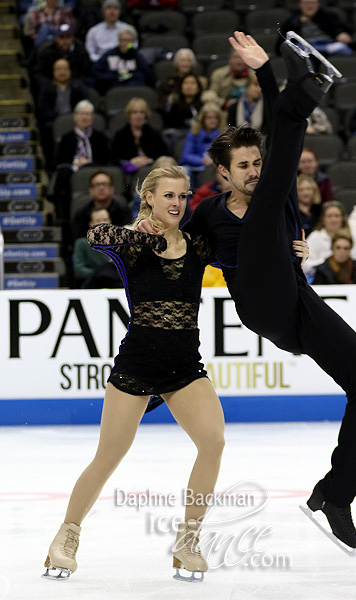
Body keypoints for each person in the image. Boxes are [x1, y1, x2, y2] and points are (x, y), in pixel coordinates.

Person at [140, 31, 356, 550]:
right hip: (257, 301)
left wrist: (295, 252)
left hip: (294, 302)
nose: (253, 172)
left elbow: (281, 178)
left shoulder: (276, 198)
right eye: (244, 167)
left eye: (257, 163)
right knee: (277, 183)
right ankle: (301, 87)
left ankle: (335, 494)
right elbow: (184, 277)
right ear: (222, 174)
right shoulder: (207, 212)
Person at [42, 165, 224, 582]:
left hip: (184, 367)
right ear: (149, 199)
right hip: (137, 364)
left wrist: (290, 251)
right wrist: (140, 234)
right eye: (168, 196)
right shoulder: (131, 244)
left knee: (213, 440)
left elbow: (243, 251)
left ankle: (188, 539)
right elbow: (95, 236)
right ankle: (65, 537)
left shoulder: (197, 245)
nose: (177, 204)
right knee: (109, 455)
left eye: (183, 196)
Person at [52, 100, 110, 221]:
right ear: (75, 117)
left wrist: (89, 162)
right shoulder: (66, 138)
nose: (85, 117)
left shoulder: (101, 137)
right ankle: (63, 217)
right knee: (62, 174)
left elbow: (106, 159)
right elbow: (59, 161)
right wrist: (75, 162)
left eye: (88, 114)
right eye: (82, 114)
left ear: (92, 118)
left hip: (95, 169)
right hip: (72, 171)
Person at [304, 201, 356, 281]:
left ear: (343, 218)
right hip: (323, 279)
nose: (333, 220)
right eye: (329, 216)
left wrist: (348, 262)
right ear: (323, 219)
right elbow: (305, 265)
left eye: (337, 216)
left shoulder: (354, 236)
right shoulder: (315, 237)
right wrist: (328, 263)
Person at [111, 97, 169, 174]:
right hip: (127, 173)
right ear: (129, 115)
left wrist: (150, 160)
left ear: (146, 115)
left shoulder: (155, 134)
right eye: (134, 112)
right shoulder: (120, 135)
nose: (138, 116)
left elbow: (164, 155)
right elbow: (114, 158)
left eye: (142, 112)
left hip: (152, 170)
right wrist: (130, 161)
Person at [277, 0, 355, 57]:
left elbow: (339, 28)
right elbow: (284, 39)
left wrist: (341, 34)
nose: (310, 6)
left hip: (327, 43)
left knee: (344, 49)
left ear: (318, 4)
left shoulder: (328, 16)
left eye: (312, 3)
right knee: (297, 49)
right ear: (300, 5)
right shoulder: (292, 20)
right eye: (306, 3)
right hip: (305, 46)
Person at [92, 24, 153, 95]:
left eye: (129, 40)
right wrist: (114, 76)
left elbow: (148, 76)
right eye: (123, 40)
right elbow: (96, 72)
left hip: (134, 91)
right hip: (112, 90)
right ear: (119, 41)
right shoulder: (110, 55)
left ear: (133, 42)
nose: (126, 43)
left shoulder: (138, 57)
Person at [72, 170, 132, 239]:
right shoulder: (82, 214)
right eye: (97, 185)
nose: (101, 188)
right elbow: (79, 241)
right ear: (91, 190)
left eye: (105, 184)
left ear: (112, 189)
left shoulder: (122, 211)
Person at [179, 103, 225, 190]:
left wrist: (213, 161)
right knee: (184, 171)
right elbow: (186, 155)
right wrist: (202, 161)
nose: (212, 120)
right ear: (203, 119)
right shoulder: (194, 132)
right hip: (194, 166)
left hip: (214, 168)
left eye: (215, 118)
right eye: (209, 118)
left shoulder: (223, 135)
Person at [32, 23, 92, 91]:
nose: (65, 41)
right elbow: (39, 72)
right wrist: (50, 85)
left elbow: (86, 70)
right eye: (62, 37)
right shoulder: (47, 51)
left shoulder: (80, 49)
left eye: (68, 37)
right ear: (56, 38)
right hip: (52, 85)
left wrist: (75, 84)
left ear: (73, 38)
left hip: (75, 84)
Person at [72, 207, 114, 286]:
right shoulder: (81, 244)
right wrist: (101, 274)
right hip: (92, 286)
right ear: (91, 224)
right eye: (98, 221)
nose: (102, 223)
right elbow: (79, 270)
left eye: (105, 220)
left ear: (110, 222)